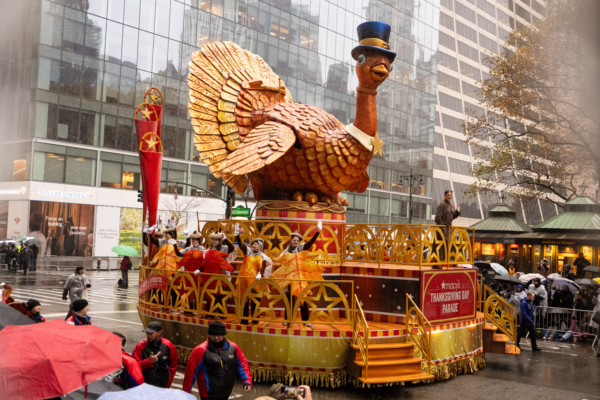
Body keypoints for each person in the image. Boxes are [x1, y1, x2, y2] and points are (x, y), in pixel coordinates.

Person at [182, 321, 252, 398]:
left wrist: (247, 381)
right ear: (208, 334)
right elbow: (190, 373)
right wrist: (186, 394)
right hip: (208, 395)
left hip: (226, 392)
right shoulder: (200, 350)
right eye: (213, 335)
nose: (216, 338)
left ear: (224, 335)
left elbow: (242, 364)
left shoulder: (233, 347)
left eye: (219, 335)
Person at [280, 222, 322, 327]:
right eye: (294, 240)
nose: (296, 242)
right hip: (290, 279)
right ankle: (287, 320)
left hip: (300, 279)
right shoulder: (285, 251)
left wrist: (318, 232)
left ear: (299, 242)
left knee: (303, 300)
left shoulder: (301, 248)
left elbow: (310, 243)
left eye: (297, 240)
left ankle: (306, 320)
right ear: (291, 241)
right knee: (289, 301)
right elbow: (281, 261)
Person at [236, 226, 273, 324]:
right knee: (244, 300)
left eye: (255, 244)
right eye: (252, 244)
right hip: (245, 281)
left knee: (255, 301)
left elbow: (264, 267)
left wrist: (260, 274)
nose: (253, 245)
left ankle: (255, 319)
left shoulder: (263, 257)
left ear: (260, 246)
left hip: (256, 282)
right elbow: (241, 245)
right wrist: (237, 235)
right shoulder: (248, 252)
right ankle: (244, 319)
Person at [132, 321, 178, 388]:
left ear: (159, 333)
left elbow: (173, 366)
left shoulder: (168, 345)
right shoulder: (140, 345)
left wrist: (168, 383)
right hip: (145, 386)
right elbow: (134, 366)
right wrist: (149, 361)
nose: (148, 335)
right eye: (147, 332)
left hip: (162, 385)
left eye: (151, 333)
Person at [434, 189, 460, 268]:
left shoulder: (451, 206)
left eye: (451, 195)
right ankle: (436, 262)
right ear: (444, 196)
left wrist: (457, 211)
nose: (450, 196)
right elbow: (437, 218)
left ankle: (438, 262)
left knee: (448, 245)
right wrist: (443, 227)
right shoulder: (442, 204)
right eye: (448, 195)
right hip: (443, 228)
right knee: (442, 245)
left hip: (449, 228)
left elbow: (451, 217)